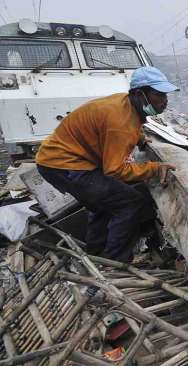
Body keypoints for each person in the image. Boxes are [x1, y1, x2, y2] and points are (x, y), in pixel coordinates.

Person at [34, 66, 177, 262]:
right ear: (139, 93)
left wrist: (140, 139)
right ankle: (117, 261)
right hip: (64, 164)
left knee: (102, 202)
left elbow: (131, 125)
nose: (164, 101)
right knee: (129, 202)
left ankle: (97, 253)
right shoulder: (120, 122)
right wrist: (154, 168)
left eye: (165, 95)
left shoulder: (125, 104)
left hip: (59, 158)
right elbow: (115, 170)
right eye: (158, 95)